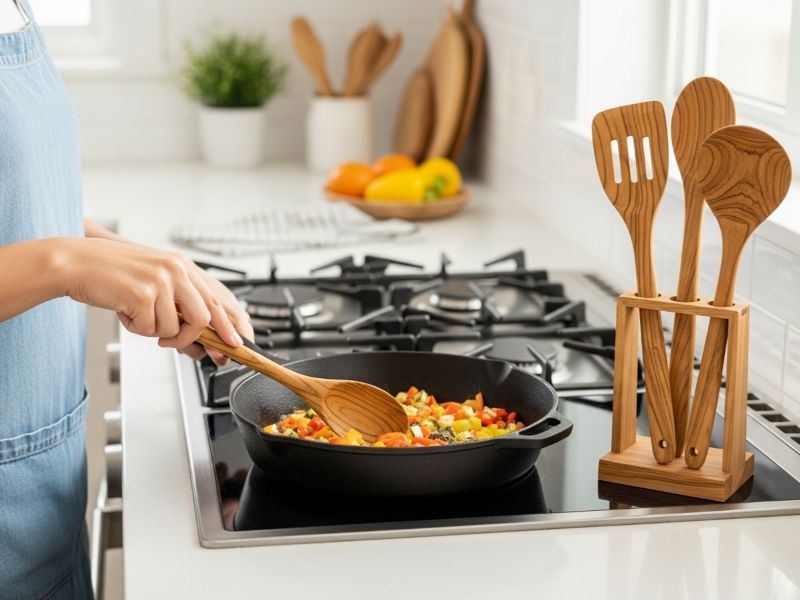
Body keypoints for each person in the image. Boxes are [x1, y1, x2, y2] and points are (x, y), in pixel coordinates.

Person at [0, 2, 253, 597]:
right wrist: (67, 264)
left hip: (42, 497)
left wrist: (148, 267)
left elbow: (24, 200)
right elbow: (49, 250)